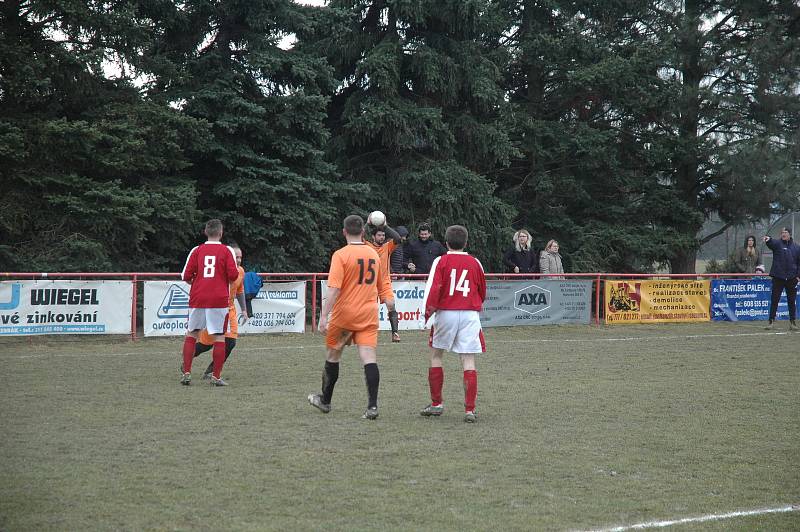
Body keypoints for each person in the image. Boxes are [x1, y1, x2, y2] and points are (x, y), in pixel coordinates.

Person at [308, 215, 395, 419]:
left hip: (344, 317)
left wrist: (323, 317)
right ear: (363, 233)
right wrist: (389, 304)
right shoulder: (374, 254)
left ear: (344, 232)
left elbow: (334, 289)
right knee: (369, 359)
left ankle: (325, 401)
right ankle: (372, 407)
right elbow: (383, 286)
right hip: (368, 314)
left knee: (333, 357)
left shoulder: (341, 255)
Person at [420, 225, 487, 423]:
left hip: (446, 312)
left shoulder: (441, 261)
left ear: (446, 242)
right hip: (469, 314)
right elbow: (482, 291)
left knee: (436, 356)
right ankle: (469, 410)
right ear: (466, 242)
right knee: (468, 360)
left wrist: (426, 315)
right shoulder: (475, 262)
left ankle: (436, 404)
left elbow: (433, 288)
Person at [179, 219, 240, 386]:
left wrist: (197, 281)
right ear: (220, 233)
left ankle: (186, 373)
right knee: (219, 336)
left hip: (198, 296)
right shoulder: (227, 250)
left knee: (192, 333)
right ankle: (216, 377)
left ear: (205, 232)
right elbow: (233, 275)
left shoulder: (196, 250)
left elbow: (185, 275)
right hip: (219, 298)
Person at [192, 244, 248, 379]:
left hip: (230, 312)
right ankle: (188, 357)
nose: (238, 260)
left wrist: (245, 310)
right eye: (236, 257)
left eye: (240, 257)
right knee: (205, 345)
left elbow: (240, 290)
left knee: (230, 343)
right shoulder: (218, 270)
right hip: (216, 310)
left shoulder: (240, 271)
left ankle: (211, 371)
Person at [365, 215, 402, 342]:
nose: (382, 237)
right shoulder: (367, 245)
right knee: (368, 309)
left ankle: (395, 333)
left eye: (383, 235)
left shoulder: (387, 247)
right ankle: (365, 332)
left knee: (391, 305)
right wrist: (368, 224)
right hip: (370, 283)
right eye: (379, 235)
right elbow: (358, 237)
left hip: (384, 282)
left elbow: (398, 238)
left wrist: (385, 226)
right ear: (373, 237)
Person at [762, 228, 800, 331]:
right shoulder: (777, 244)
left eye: (785, 232)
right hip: (778, 277)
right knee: (775, 300)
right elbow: (771, 242)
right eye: (782, 232)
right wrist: (768, 239)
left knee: (791, 301)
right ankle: (771, 321)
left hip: (792, 279)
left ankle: (792, 322)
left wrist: (798, 276)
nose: (783, 234)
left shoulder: (796, 247)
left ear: (790, 234)